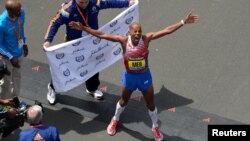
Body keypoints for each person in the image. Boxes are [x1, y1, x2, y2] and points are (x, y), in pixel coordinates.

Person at [69, 11, 199, 141]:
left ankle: (155, 127)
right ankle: (115, 119)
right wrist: (82, 28)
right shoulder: (123, 41)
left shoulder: (146, 39)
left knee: (151, 104)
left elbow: (166, 31)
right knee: (123, 101)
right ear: (129, 32)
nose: (138, 34)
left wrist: (182, 22)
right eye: (135, 31)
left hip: (144, 77)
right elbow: (101, 34)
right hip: (130, 77)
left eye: (139, 31)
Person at [43, 0, 137, 105]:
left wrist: (129, 3)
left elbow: (111, 3)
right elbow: (54, 23)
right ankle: (53, 87)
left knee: (94, 65)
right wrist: (47, 41)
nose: (84, 5)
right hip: (73, 44)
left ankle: (92, 88)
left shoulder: (95, 3)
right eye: (81, 2)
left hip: (92, 42)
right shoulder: (67, 10)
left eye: (86, 2)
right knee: (66, 68)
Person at [0, 0, 29, 99]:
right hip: (7, 59)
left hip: (19, 53)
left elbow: (21, 28)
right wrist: (11, 57)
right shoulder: (1, 24)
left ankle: (15, 99)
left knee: (17, 77)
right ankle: (4, 102)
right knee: (6, 81)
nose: (20, 13)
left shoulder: (22, 12)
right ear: (10, 12)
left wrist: (25, 43)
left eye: (20, 10)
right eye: (17, 12)